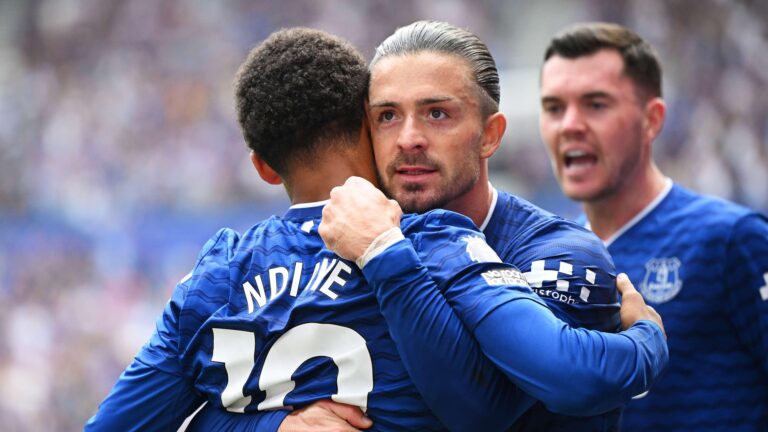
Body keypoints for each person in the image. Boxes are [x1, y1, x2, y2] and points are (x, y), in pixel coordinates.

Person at [85, 26, 666, 432]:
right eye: (388, 116)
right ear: (364, 130)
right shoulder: (429, 238)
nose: (408, 137)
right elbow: (478, 411)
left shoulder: (557, 251)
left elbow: (557, 384)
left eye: (437, 113)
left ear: (491, 135)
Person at [538, 22, 768, 431]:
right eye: (554, 107)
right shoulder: (548, 255)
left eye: (596, 104)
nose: (569, 124)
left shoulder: (732, 239)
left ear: (652, 120)